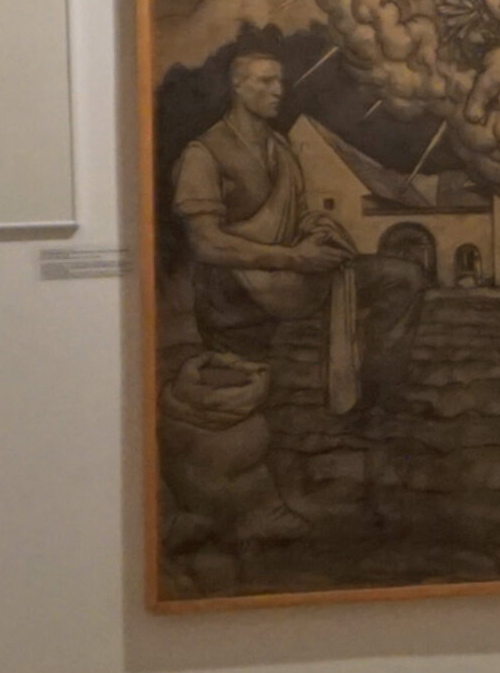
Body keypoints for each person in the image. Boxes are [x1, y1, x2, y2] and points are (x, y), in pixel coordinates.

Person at [170, 51, 423, 412]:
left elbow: (297, 216)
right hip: (237, 288)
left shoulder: (281, 147)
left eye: (280, 82)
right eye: (265, 81)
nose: (278, 90)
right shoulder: (203, 153)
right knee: (246, 401)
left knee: (404, 276)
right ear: (238, 86)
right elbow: (206, 243)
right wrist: (295, 258)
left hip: (295, 276)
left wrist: (318, 229)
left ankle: (380, 395)